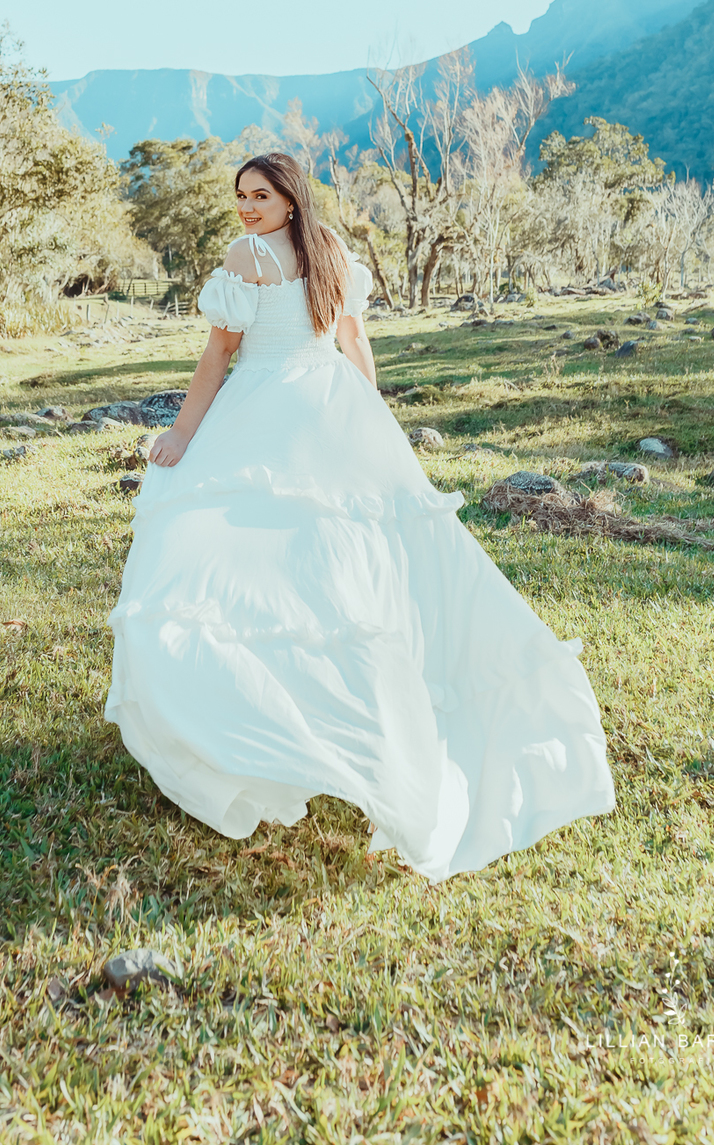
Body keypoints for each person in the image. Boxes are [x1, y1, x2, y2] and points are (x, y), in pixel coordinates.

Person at [105, 152, 615, 881]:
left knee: (246, 562)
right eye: (241, 196)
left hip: (276, 411)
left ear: (289, 199)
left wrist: (186, 433)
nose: (247, 208)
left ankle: (279, 727)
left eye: (260, 194)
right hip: (329, 407)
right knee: (328, 565)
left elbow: (219, 356)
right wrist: (368, 419)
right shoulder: (333, 249)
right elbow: (351, 346)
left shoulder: (248, 255)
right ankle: (316, 725)